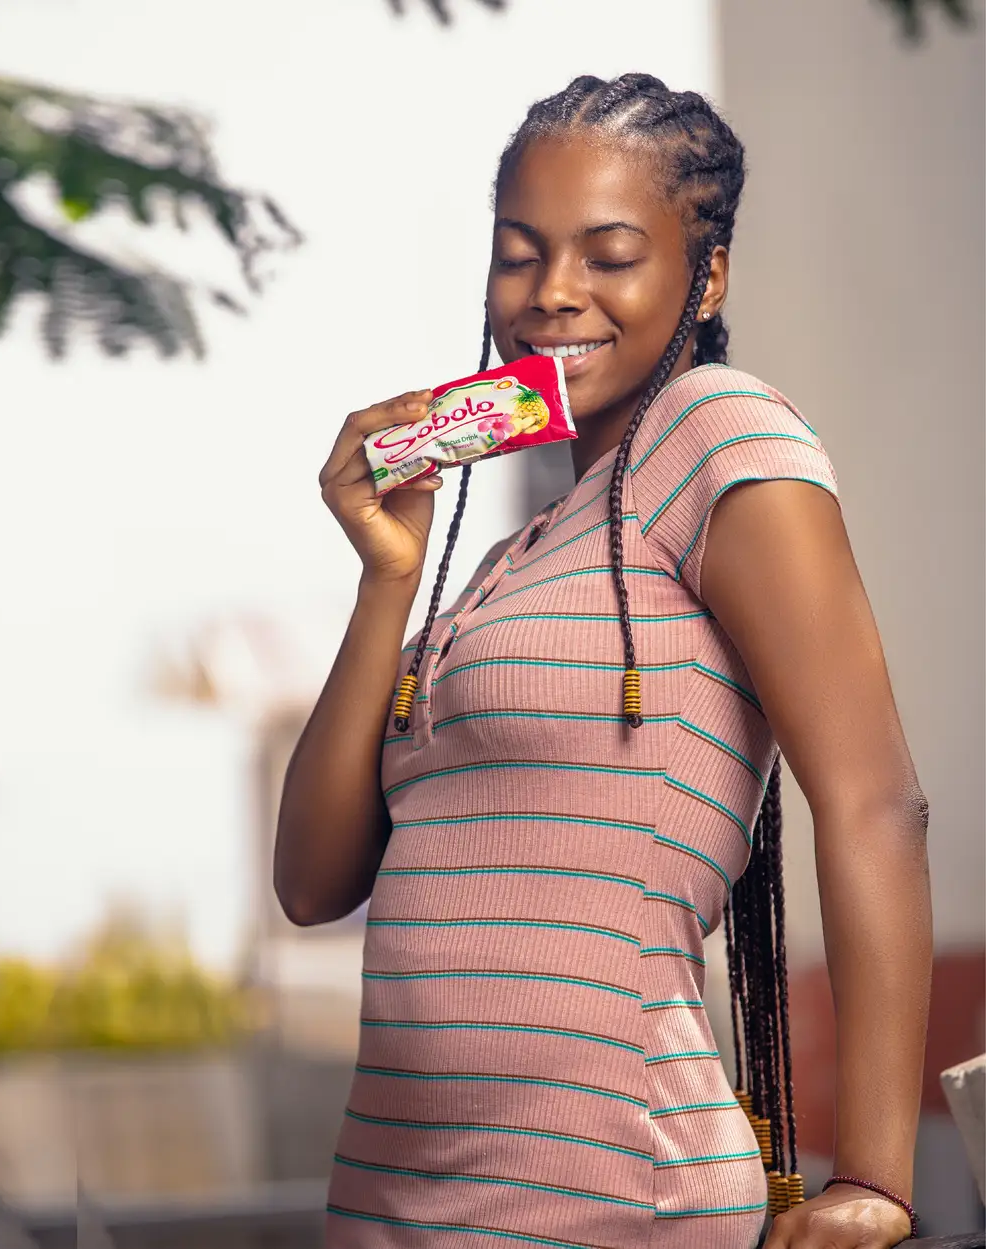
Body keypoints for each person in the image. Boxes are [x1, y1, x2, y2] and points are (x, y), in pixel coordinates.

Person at [274, 74, 932, 1249]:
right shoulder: (500, 566)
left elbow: (875, 799)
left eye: (608, 254)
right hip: (381, 1207)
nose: (553, 295)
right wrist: (386, 571)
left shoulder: (720, 432)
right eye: (519, 254)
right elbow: (315, 883)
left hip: (611, 1208)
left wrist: (874, 1176)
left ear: (707, 276)